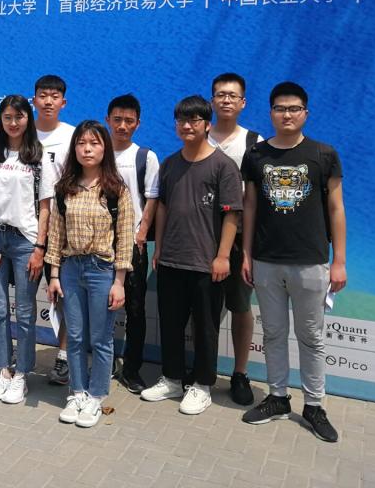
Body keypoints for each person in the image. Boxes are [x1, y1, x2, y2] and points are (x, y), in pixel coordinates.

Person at [240, 82, 347, 443]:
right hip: (266, 261)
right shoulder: (256, 155)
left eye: (294, 108)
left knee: (311, 337)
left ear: (305, 113)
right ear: (270, 112)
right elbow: (250, 206)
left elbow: (336, 208)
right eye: (280, 108)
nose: (287, 114)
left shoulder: (323, 154)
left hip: (311, 262)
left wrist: (339, 261)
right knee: (273, 333)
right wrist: (246, 254)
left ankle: (314, 405)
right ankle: (277, 397)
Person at [140, 95, 242, 415]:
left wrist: (223, 256)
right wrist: (159, 248)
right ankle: (172, 378)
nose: (187, 125)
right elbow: (163, 208)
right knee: (170, 324)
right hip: (171, 260)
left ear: (207, 124)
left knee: (205, 328)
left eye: (194, 119)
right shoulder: (170, 164)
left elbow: (232, 215)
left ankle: (202, 384)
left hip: (206, 263)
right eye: (182, 120)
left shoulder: (223, 166)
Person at [47, 121, 135, 427]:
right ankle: (77, 393)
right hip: (71, 269)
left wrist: (119, 282)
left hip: (102, 270)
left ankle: (96, 396)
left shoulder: (116, 191)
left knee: (100, 338)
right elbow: (56, 234)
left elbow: (125, 239)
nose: (87, 149)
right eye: (81, 143)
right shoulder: (64, 188)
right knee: (74, 336)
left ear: (104, 149)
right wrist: (54, 275)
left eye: (94, 143)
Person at [0, 94, 53, 405]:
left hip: (24, 242)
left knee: (25, 310)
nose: (13, 122)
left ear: (27, 119)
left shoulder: (38, 157)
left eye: (19, 117)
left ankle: (22, 374)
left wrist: (39, 247)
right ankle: (3, 371)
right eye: (7, 117)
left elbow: (45, 207)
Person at [208, 72, 263, 406]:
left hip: (240, 240)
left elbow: (258, 199)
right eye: (220, 95)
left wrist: (250, 250)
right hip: (202, 237)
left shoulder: (254, 143)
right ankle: (201, 370)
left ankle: (240, 373)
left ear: (242, 102)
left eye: (232, 95)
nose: (226, 100)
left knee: (241, 307)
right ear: (212, 100)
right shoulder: (199, 135)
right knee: (201, 307)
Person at [105, 94, 160, 393]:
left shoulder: (145, 157)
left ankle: (132, 369)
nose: (122, 126)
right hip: (98, 244)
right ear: (107, 120)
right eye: (117, 119)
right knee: (99, 306)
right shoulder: (97, 152)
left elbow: (152, 199)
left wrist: (142, 234)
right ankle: (104, 363)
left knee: (135, 310)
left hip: (131, 244)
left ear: (138, 124)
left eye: (129, 121)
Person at [33, 74, 76, 386]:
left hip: (61, 229)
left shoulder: (73, 137)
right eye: (43, 95)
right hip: (26, 228)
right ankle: (19, 356)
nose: (48, 101)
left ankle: (63, 357)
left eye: (54, 96)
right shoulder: (21, 133)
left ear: (63, 102)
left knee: (62, 295)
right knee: (23, 297)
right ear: (34, 99)